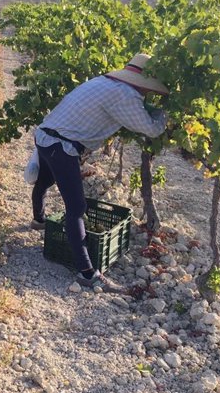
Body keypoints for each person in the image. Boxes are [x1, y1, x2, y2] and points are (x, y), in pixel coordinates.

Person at [31, 53, 169, 292]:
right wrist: (168, 112)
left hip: (45, 135)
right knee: (76, 208)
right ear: (143, 84)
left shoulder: (105, 82)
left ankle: (38, 220)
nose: (149, 93)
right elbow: (151, 129)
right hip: (61, 147)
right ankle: (87, 273)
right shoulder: (125, 95)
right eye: (149, 89)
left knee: (45, 180)